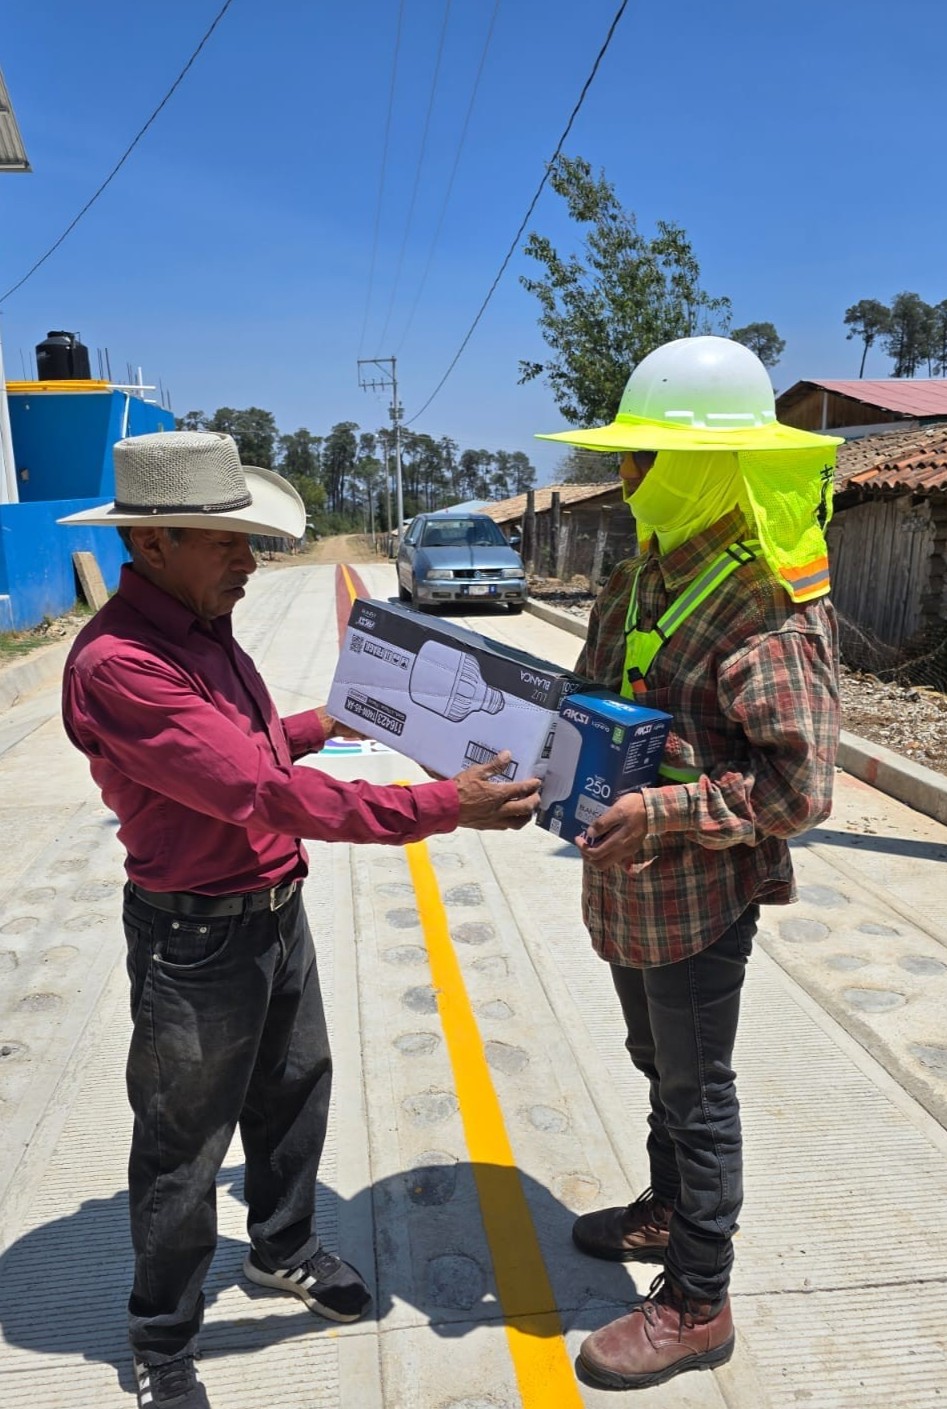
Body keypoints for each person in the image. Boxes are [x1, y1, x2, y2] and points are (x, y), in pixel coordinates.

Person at [59, 431, 541, 1409]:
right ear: (152, 542)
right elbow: (262, 793)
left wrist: (329, 721)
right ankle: (162, 1333)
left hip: (274, 913)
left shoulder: (200, 627)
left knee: (292, 1093)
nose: (250, 558)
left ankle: (279, 1247)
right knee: (184, 1145)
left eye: (250, 538)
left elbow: (249, 749)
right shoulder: (119, 664)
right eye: (226, 539)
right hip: (196, 940)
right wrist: (446, 804)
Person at [537, 336, 841, 1391]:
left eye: (645, 458)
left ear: (705, 464)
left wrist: (663, 808)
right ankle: (666, 1208)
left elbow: (800, 791)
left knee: (699, 1087)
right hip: (625, 889)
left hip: (699, 899)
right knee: (656, 1063)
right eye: (626, 458)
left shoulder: (766, 605)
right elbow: (587, 693)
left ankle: (698, 1297)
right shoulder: (638, 578)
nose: (626, 478)